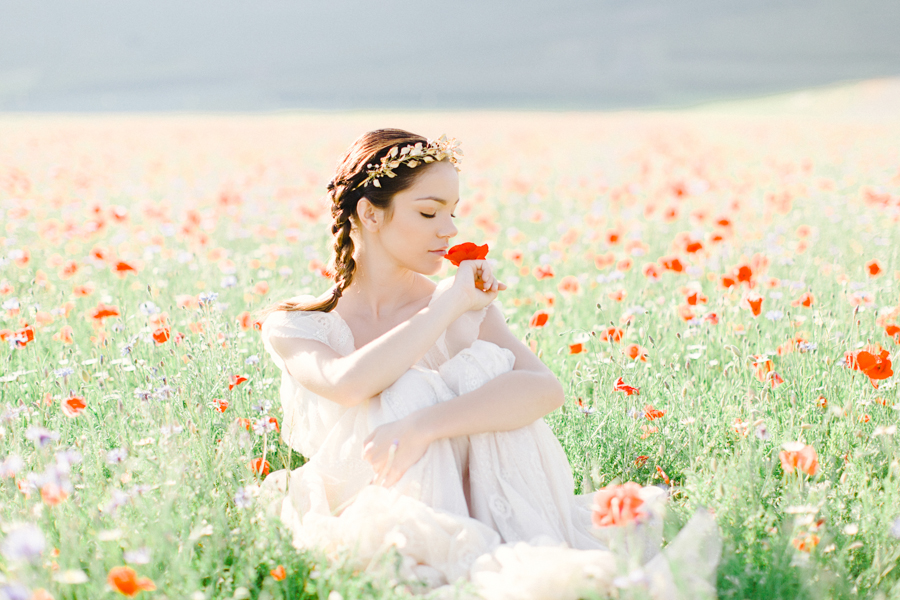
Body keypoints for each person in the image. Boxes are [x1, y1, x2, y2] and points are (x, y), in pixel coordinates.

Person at [257, 129, 720, 599]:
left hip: (480, 502)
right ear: (370, 213)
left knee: (471, 378)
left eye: (453, 212)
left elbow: (543, 389)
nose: (450, 229)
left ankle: (483, 548)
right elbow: (346, 383)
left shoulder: (460, 304)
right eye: (428, 211)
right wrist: (444, 307)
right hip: (368, 502)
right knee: (410, 387)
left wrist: (425, 425)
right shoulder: (298, 324)